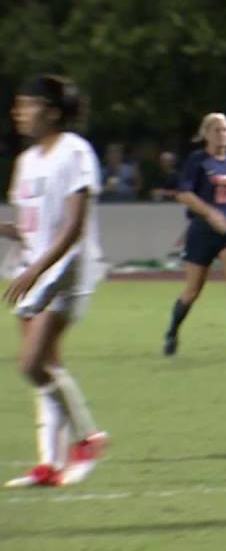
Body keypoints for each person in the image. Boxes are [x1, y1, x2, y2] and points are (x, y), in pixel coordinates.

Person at [3, 75, 109, 488]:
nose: (18, 112)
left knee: (32, 364)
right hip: (32, 268)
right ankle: (49, 463)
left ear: (51, 109)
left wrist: (37, 270)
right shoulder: (26, 162)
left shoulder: (75, 152)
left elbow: (74, 225)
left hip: (67, 270)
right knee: (46, 367)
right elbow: (28, 227)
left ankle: (88, 437)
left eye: (25, 104)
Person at [162, 113, 226, 357]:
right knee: (193, 289)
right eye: (218, 130)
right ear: (206, 134)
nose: (223, 134)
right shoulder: (197, 161)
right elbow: (183, 193)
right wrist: (211, 214)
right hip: (202, 231)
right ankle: (172, 332)